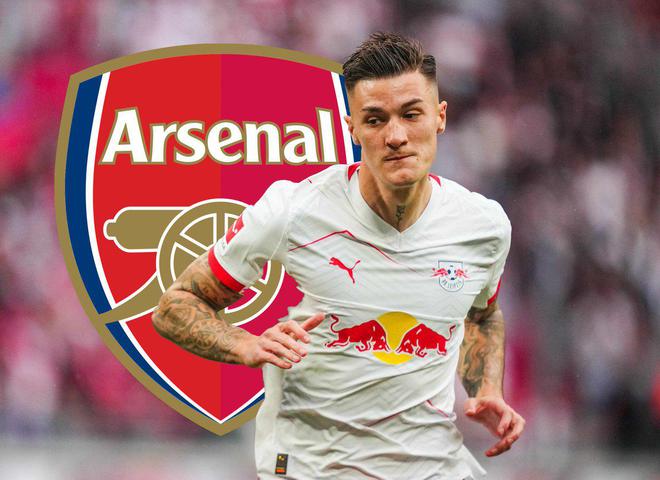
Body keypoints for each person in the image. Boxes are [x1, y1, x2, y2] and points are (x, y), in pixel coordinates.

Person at [153, 32, 525, 480]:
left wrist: (486, 388)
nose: (395, 136)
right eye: (375, 120)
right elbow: (174, 306)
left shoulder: (483, 226)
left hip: (431, 466)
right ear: (353, 129)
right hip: (314, 468)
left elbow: (481, 315)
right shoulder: (293, 212)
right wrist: (244, 345)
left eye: (411, 114)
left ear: (440, 117)